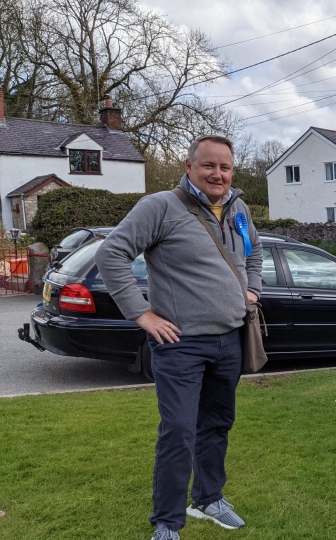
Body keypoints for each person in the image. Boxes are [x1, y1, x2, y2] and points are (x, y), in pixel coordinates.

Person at [96, 135, 262, 540]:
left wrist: (252, 289)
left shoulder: (238, 207)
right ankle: (168, 523)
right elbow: (110, 255)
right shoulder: (160, 207)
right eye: (208, 165)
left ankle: (209, 498)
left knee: (218, 423)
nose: (217, 174)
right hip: (180, 345)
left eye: (224, 167)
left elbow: (253, 252)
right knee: (179, 431)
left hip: (230, 339)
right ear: (189, 167)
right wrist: (142, 314)